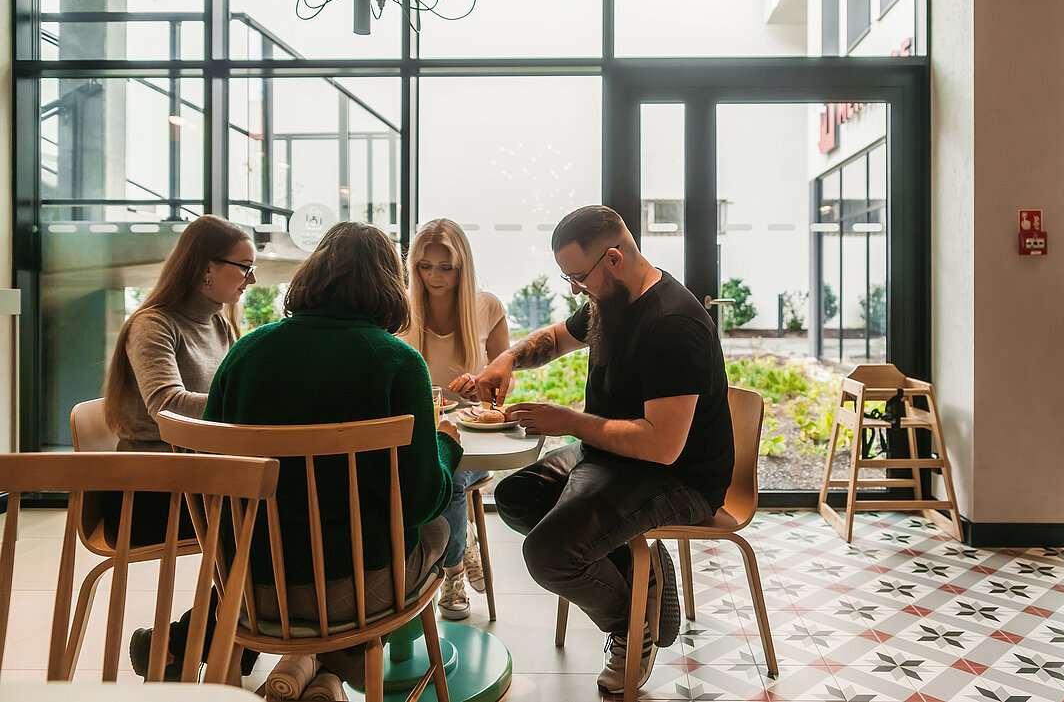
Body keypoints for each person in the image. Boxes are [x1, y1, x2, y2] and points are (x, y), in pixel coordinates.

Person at [474, 205, 735, 695]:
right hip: (615, 457)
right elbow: (556, 338)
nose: (575, 288)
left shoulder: (672, 324)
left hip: (680, 477)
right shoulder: (610, 300)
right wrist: (506, 360)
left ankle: (633, 628)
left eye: (578, 276)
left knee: (549, 554)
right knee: (517, 497)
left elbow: (661, 445)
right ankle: (644, 577)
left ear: (614, 258)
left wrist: (567, 421)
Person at [202, 221, 463, 689]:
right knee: (439, 528)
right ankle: (339, 666)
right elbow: (422, 501)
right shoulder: (397, 363)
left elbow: (212, 473)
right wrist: (447, 443)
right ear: (390, 284)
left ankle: (313, 668)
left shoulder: (245, 353)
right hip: (355, 591)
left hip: (249, 588)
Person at [101, 213, 259, 681]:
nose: (251, 279)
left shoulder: (221, 326)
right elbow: (166, 404)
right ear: (204, 267)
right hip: (147, 491)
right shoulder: (152, 325)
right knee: (271, 524)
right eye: (243, 267)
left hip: (199, 479)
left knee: (278, 516)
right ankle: (223, 644)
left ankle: (177, 642)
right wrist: (249, 403)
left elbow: (224, 409)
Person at [400, 218, 510, 621]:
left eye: (445, 267)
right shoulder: (401, 308)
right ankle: (462, 548)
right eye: (424, 267)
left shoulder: (487, 308)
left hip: (472, 434)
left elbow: (500, 396)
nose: (434, 277)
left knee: (449, 479)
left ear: (462, 266)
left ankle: (452, 574)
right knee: (437, 474)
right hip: (420, 432)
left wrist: (479, 389)